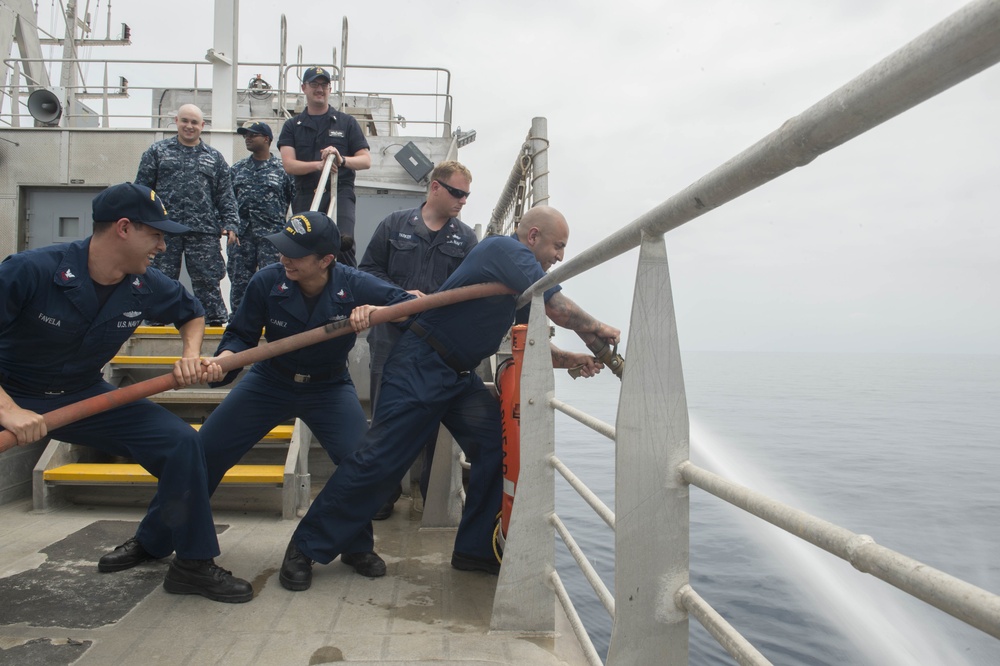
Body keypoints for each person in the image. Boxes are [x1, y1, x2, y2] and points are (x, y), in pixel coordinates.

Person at [279, 205, 618, 590]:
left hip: (457, 376)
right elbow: (558, 308)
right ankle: (303, 548)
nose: (560, 256)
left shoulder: (517, 282)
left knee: (496, 445)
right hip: (420, 366)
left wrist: (568, 358)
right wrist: (595, 329)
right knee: (379, 461)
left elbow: (515, 336)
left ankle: (475, 551)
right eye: (558, 246)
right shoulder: (504, 251)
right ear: (534, 236)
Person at [128, 211, 414, 586]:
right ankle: (152, 541)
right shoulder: (267, 282)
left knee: (361, 462)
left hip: (328, 387)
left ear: (326, 260)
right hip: (269, 382)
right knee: (202, 454)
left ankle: (354, 544)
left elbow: (411, 307)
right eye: (283, 249)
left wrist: (379, 312)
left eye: (296, 254)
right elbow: (240, 335)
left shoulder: (353, 283)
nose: (285, 259)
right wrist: (226, 360)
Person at [0, 182, 252, 603]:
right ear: (122, 228)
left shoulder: (144, 284)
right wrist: (8, 410)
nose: (161, 245)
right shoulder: (32, 270)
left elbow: (191, 312)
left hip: (82, 396)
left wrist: (190, 354)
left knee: (182, 445)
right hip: (12, 394)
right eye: (155, 234)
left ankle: (191, 563)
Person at [359, 160, 478, 520]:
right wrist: (400, 295)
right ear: (435, 188)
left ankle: (430, 495)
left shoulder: (467, 239)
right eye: (457, 193)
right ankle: (382, 495)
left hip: (435, 345)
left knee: (431, 421)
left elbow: (471, 289)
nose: (462, 201)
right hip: (390, 339)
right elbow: (368, 271)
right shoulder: (394, 225)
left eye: (467, 195)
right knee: (385, 419)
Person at [135, 103, 241, 325]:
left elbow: (225, 195)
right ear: (176, 122)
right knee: (160, 277)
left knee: (208, 278)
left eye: (194, 122)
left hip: (203, 231)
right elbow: (143, 190)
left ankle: (213, 321)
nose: (189, 126)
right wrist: (141, 222)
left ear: (202, 126)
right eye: (185, 121)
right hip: (164, 229)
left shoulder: (214, 157)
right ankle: (157, 320)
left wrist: (231, 223)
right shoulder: (157, 152)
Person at [278, 66, 371, 267]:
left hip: (340, 192)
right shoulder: (292, 126)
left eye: (324, 85)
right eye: (314, 84)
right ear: (304, 87)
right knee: (305, 246)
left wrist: (341, 160)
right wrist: (319, 165)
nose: (319, 89)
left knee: (342, 241)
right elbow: (289, 165)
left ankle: (347, 292)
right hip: (305, 194)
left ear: (330, 89)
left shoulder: (346, 123)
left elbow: (365, 160)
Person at [227, 121, 294, 311]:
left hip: (272, 236)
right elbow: (227, 200)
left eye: (252, 135)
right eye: (245, 135)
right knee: (239, 281)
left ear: (266, 139)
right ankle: (239, 321)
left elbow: (294, 200)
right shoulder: (237, 169)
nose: (247, 138)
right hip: (242, 236)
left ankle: (275, 317)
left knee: (275, 279)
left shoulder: (283, 170)